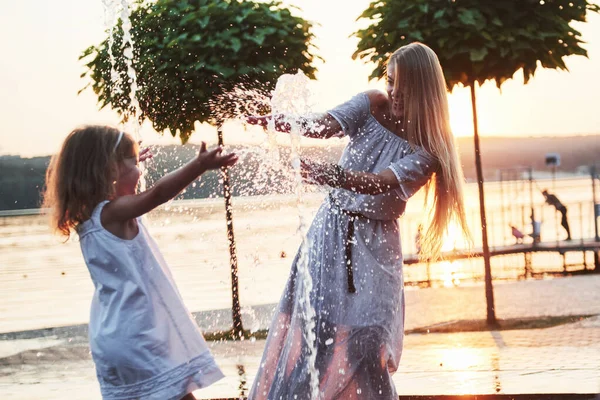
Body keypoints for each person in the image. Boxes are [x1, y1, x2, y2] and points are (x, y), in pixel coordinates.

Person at [246, 42, 470, 399]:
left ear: (422, 87)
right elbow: (322, 125)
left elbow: (378, 184)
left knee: (370, 345)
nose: (392, 90)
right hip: (330, 230)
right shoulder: (372, 103)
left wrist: (330, 175)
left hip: (378, 245)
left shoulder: (428, 151)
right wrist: (281, 122)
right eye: (390, 80)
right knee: (315, 339)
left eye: (401, 83)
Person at [42, 126, 238, 400]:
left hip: (114, 333)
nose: (141, 170)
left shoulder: (88, 220)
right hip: (140, 335)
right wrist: (198, 166)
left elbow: (133, 190)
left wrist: (130, 165)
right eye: (134, 164)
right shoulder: (113, 214)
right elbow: (156, 194)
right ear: (109, 171)